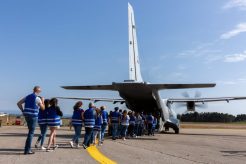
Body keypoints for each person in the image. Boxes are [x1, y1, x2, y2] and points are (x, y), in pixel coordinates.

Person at [17, 86, 45, 155]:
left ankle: (27, 149)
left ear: (33, 90)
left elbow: (19, 103)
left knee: (30, 131)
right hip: (33, 116)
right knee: (31, 133)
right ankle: (27, 150)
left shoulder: (27, 96)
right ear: (39, 91)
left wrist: (23, 111)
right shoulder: (37, 98)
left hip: (26, 115)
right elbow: (43, 108)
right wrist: (43, 101)